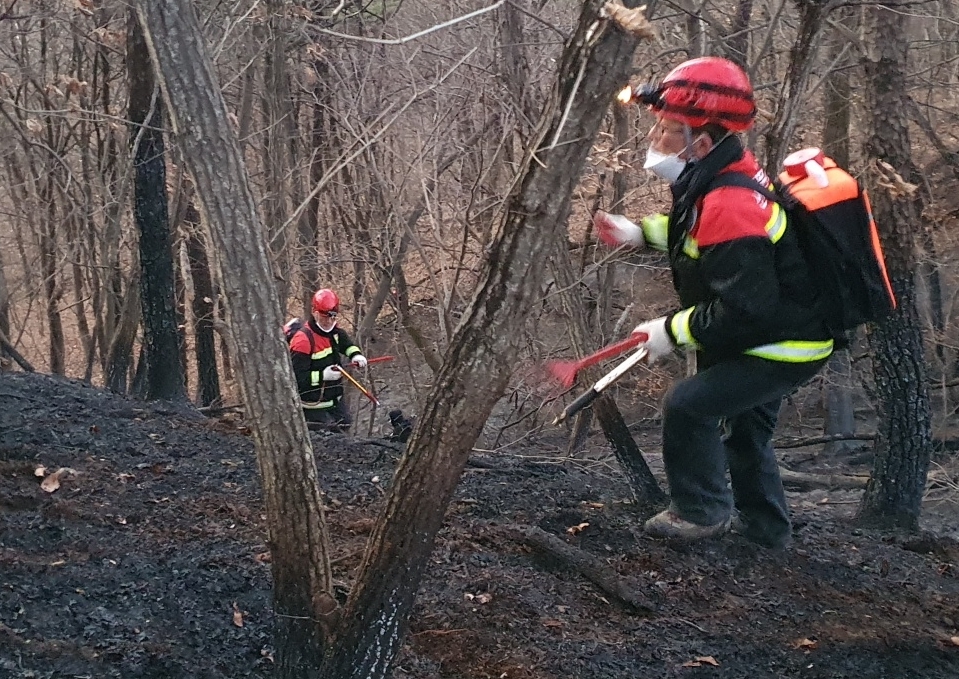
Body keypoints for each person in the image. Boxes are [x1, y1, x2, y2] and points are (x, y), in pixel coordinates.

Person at [597, 57, 833, 549]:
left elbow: (745, 309)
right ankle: (768, 536)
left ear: (700, 142)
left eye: (664, 131)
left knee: (688, 406)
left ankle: (699, 513)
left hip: (784, 344)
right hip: (776, 330)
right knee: (746, 437)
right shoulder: (723, 175)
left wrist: (671, 329)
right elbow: (703, 239)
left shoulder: (729, 202)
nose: (653, 141)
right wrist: (641, 233)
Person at [288, 288, 367, 431]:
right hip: (313, 406)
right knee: (330, 438)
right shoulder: (303, 341)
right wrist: (323, 375)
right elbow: (298, 378)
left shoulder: (334, 332)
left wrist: (356, 355)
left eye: (333, 317)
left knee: (345, 425)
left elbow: (347, 345)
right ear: (315, 313)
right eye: (325, 317)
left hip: (334, 401)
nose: (329, 322)